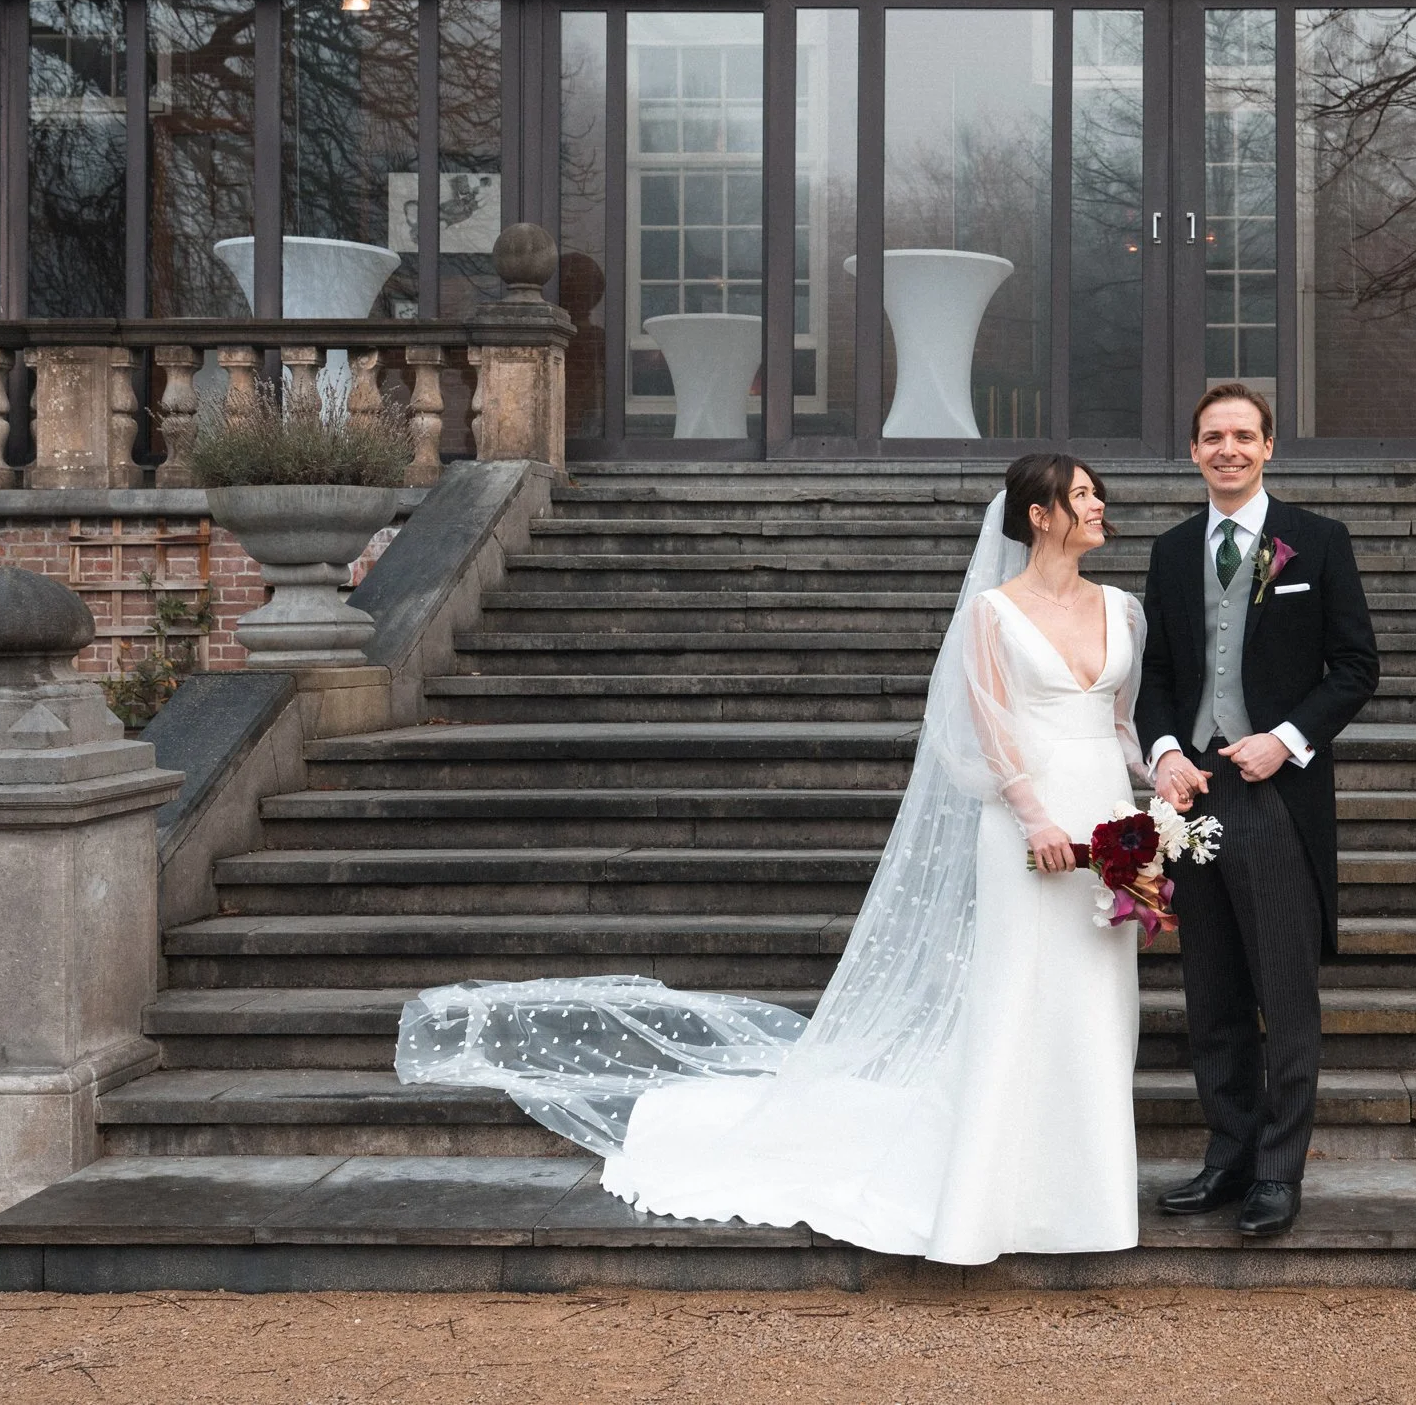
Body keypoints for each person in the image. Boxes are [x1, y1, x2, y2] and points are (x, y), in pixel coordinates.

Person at [394, 454, 1147, 1265]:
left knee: (1099, 999)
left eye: (1097, 492)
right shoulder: (993, 615)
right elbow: (991, 730)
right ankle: (989, 1201)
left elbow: (1117, 723)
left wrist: (1156, 790)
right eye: (1081, 494)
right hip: (1026, 829)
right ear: (1039, 515)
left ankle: (1086, 1199)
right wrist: (1034, 817)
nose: (1100, 503)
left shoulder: (1124, 609)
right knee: (1019, 994)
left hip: (1110, 821)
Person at [1137, 382, 1380, 1238]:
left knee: (1286, 992)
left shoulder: (1317, 541)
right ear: (1195, 451)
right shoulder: (1170, 553)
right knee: (1212, 995)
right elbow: (1156, 673)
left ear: (1269, 446)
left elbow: (1356, 666)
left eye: (1244, 435)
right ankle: (1227, 1155)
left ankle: (1279, 1170)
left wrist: (1285, 737)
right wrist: (1165, 750)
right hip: (1193, 796)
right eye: (1213, 437)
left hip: (1276, 793)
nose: (1228, 449)